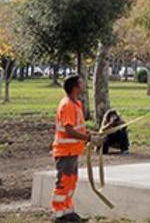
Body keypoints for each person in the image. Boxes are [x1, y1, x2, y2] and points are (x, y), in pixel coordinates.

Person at [51, 75, 94, 222]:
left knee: (70, 182)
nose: (84, 85)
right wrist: (88, 138)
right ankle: (58, 214)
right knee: (63, 183)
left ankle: (68, 212)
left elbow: (77, 128)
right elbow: (69, 131)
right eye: (82, 83)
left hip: (72, 151)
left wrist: (87, 134)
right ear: (75, 87)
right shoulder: (68, 105)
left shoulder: (76, 104)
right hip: (65, 151)